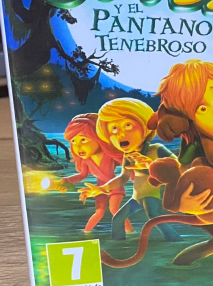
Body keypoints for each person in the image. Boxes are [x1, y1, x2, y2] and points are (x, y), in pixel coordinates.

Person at [88, 98, 180, 241]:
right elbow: (123, 177)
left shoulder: (156, 149)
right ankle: (119, 246)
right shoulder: (128, 155)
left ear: (145, 127)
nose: (120, 134)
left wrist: (151, 165)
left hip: (151, 195)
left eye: (128, 125)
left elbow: (178, 167)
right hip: (136, 197)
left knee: (153, 218)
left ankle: (176, 241)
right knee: (118, 219)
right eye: (114, 129)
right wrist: (103, 188)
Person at [56, 113, 126, 233]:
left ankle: (131, 233)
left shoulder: (109, 155)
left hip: (114, 185)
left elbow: (127, 167)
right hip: (96, 188)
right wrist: (67, 180)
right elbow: (82, 175)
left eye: (83, 140)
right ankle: (85, 233)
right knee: (99, 212)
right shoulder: (86, 161)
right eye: (73, 141)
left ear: (98, 137)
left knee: (114, 209)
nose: (78, 146)